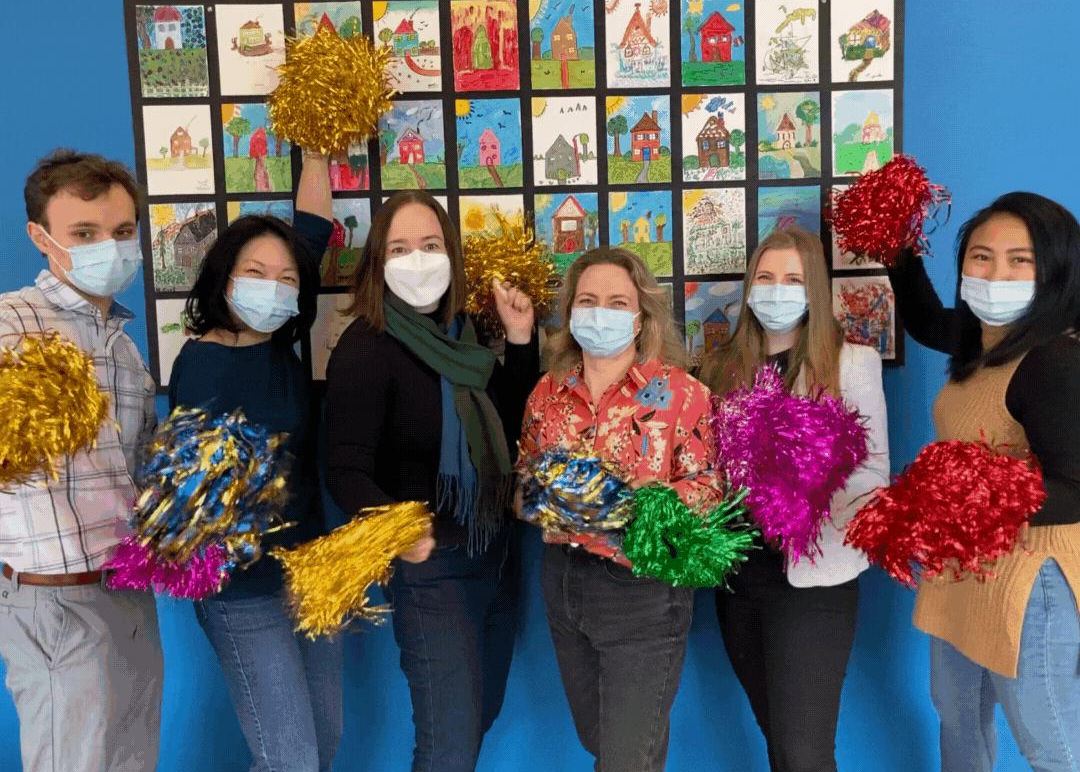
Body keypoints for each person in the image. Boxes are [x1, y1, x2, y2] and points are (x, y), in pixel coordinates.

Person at [324, 192, 539, 772]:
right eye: (399, 249)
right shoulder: (365, 346)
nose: (416, 260)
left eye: (429, 245)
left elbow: (513, 426)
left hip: (494, 553)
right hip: (431, 569)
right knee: (448, 746)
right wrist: (398, 528)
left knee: (476, 721)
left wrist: (521, 339)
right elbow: (344, 468)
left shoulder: (465, 338)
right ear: (378, 262)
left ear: (451, 256)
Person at [887, 192, 1080, 772]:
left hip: (1028, 581)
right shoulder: (985, 339)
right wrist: (896, 241)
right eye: (981, 257)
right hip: (962, 572)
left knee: (1051, 747)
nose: (996, 277)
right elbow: (928, 321)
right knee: (959, 722)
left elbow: (1075, 487)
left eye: (1020, 260)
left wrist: (964, 493)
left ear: (1055, 270)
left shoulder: (1053, 359)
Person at [516, 246, 723, 772]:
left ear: (640, 315)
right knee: (600, 739)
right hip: (563, 581)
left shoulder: (684, 394)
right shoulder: (547, 393)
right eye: (587, 301)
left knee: (625, 759)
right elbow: (522, 484)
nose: (600, 313)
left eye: (616, 302)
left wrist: (641, 504)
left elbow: (709, 487)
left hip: (643, 589)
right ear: (569, 312)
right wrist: (547, 496)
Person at [168, 152, 342, 772]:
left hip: (307, 571)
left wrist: (317, 151)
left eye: (286, 278)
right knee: (290, 759)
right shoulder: (203, 365)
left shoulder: (279, 340)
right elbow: (192, 496)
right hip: (240, 588)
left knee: (324, 740)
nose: (273, 287)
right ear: (225, 280)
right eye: (255, 272)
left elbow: (312, 230)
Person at [697, 227, 890, 772]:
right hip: (740, 582)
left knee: (804, 753)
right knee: (780, 743)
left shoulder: (851, 363)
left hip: (814, 581)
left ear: (816, 292)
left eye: (793, 280)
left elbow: (873, 473)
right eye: (765, 278)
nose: (776, 291)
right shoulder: (720, 369)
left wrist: (799, 489)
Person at [0, 149, 162, 771]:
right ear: (41, 237)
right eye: (85, 234)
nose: (109, 249)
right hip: (52, 599)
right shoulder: (11, 326)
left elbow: (139, 471)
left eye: (122, 232)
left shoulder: (125, 351)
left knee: (133, 760)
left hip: (126, 590)